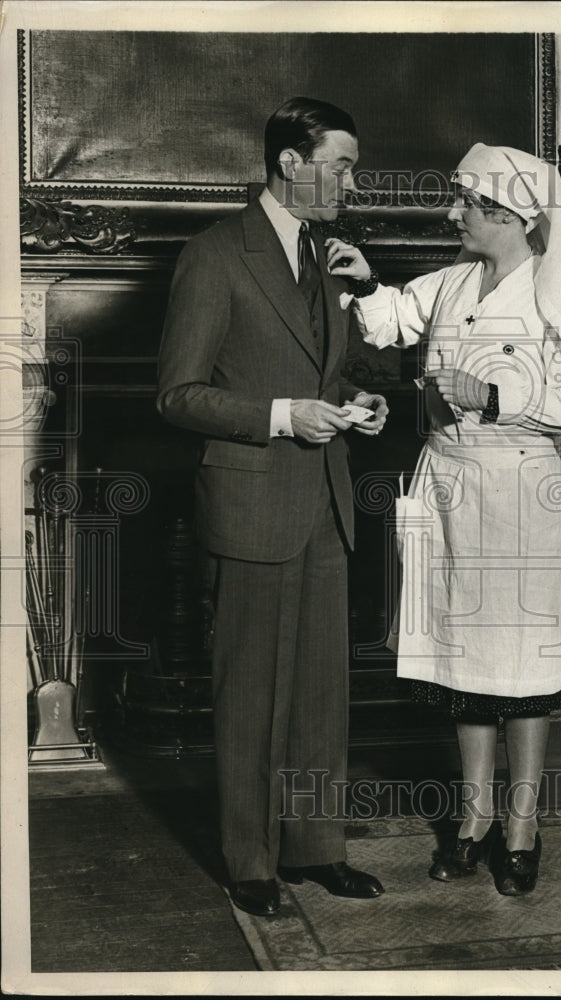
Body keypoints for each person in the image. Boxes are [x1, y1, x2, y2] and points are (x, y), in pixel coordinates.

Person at [326, 144, 561, 895]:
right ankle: (474, 820)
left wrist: (495, 398)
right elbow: (391, 318)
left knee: (523, 675)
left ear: (508, 215)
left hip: (522, 496)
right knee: (465, 671)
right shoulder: (455, 281)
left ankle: (521, 827)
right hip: (450, 495)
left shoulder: (555, 296)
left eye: (464, 203)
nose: (453, 213)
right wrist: (365, 283)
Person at [157, 97, 388, 917]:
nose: (351, 182)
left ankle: (317, 848)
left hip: (324, 502)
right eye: (342, 164)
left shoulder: (326, 254)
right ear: (291, 162)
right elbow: (178, 395)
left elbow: (341, 365)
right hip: (251, 501)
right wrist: (284, 416)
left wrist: (361, 401)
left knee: (322, 692)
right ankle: (250, 861)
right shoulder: (217, 255)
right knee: (251, 693)